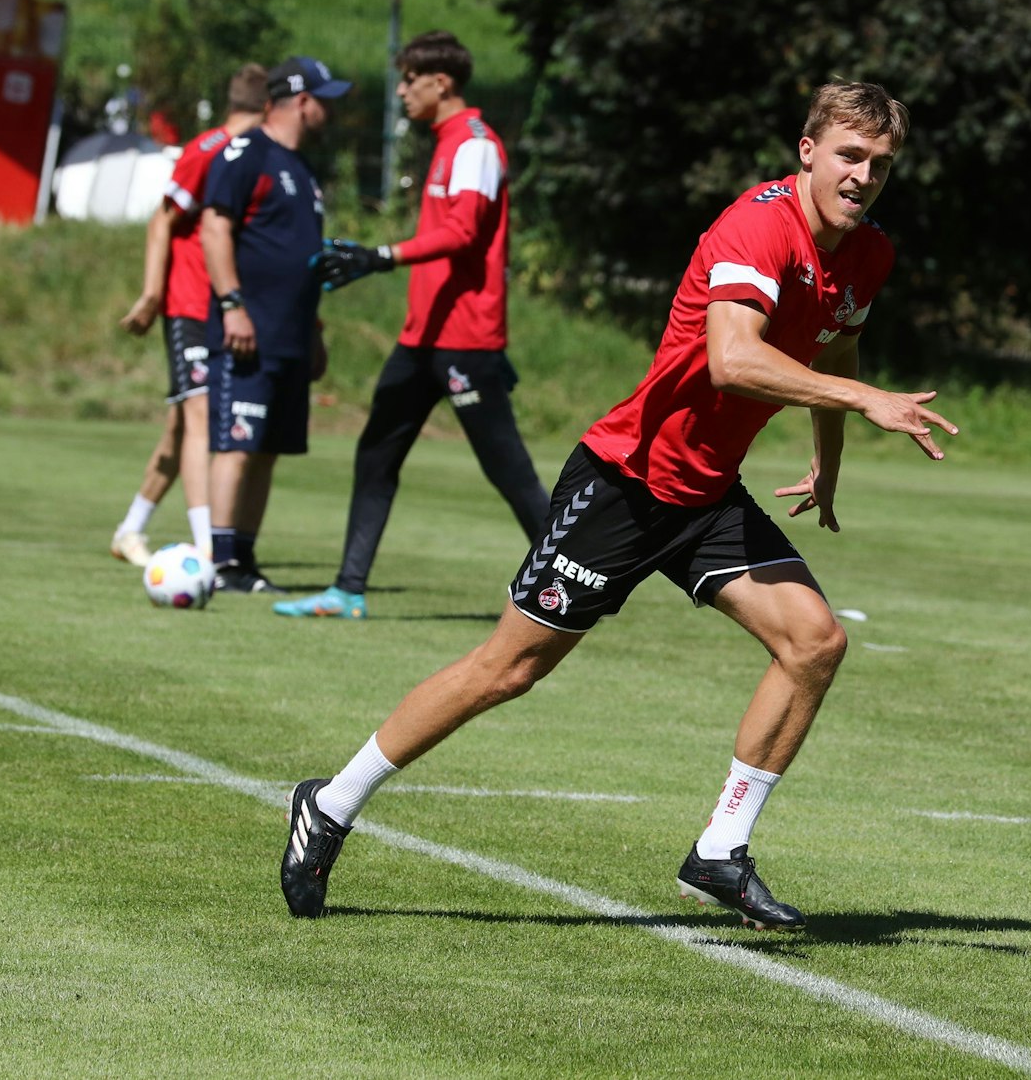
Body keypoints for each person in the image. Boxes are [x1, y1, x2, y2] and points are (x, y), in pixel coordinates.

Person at [279, 82, 959, 927]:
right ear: (808, 150)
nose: (864, 176)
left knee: (814, 641)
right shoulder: (758, 226)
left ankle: (720, 849)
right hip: (626, 483)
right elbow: (733, 359)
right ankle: (330, 803)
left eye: (881, 165)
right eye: (851, 155)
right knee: (509, 669)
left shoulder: (867, 252)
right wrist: (863, 399)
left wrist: (829, 460)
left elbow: (839, 343)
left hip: (707, 494)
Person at [275, 32, 547, 620]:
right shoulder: (447, 143)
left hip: (465, 340)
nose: (400, 91)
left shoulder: (475, 145)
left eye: (409, 80)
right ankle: (347, 591)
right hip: (422, 338)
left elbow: (464, 232)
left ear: (440, 83)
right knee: (376, 453)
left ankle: (578, 585)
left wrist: (381, 255)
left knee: (508, 470)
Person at [199, 56, 348, 594]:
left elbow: (299, 258)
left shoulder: (302, 168)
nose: (331, 110)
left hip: (290, 336)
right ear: (302, 100)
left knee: (266, 449)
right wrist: (232, 304)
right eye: (325, 99)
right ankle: (220, 562)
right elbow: (214, 228)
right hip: (247, 332)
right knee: (238, 444)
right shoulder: (247, 154)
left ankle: (243, 560)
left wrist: (314, 331)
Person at [111, 63, 269, 566]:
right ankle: (207, 548)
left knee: (181, 426)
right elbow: (162, 219)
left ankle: (130, 529)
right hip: (189, 302)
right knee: (200, 413)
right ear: (267, 107)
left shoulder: (258, 154)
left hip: (223, 306)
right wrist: (152, 293)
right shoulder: (208, 149)